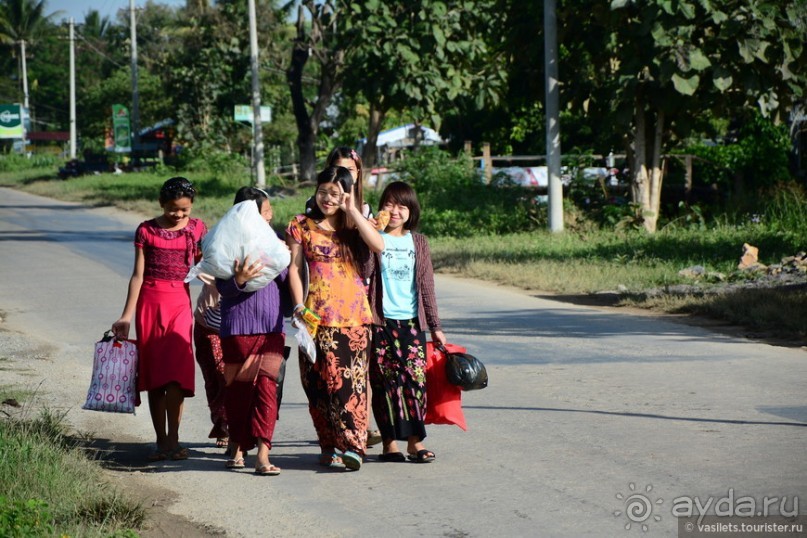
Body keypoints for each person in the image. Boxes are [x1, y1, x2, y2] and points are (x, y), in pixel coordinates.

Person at [286, 166, 385, 471]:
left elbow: (379, 245)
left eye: (335, 193)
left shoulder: (354, 225)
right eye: (323, 191)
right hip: (316, 315)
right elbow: (293, 268)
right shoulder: (300, 225)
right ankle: (329, 444)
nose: (328, 198)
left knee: (351, 382)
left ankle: (353, 446)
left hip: (354, 316)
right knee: (317, 383)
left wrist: (352, 210)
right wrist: (298, 307)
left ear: (346, 194)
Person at [112, 177, 206, 461]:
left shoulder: (198, 228)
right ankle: (161, 441)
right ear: (161, 204)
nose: (178, 215)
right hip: (150, 305)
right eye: (172, 209)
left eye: (184, 210)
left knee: (177, 375)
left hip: (180, 303)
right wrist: (126, 317)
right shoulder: (146, 230)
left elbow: (208, 265)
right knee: (155, 377)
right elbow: (137, 276)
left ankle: (175, 439)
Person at [368, 181, 446, 463]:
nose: (395, 210)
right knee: (384, 385)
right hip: (380, 322)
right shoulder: (374, 238)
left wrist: (435, 326)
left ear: (411, 210)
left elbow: (426, 286)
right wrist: (373, 232)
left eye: (402, 205)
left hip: (412, 323)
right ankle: (389, 445)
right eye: (389, 204)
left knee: (415, 382)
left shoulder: (419, 242)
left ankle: (415, 442)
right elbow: (364, 270)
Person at [217, 187, 290, 475]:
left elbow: (291, 281)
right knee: (238, 393)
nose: (271, 213)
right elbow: (221, 288)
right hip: (236, 330)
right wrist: (239, 280)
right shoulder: (226, 245)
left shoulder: (276, 243)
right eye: (266, 209)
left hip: (271, 329)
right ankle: (236, 444)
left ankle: (263, 453)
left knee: (266, 391)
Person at [193, 278, 228, 449]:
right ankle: (221, 424)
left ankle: (228, 426)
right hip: (206, 322)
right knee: (212, 378)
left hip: (237, 323)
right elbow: (199, 267)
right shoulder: (210, 252)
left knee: (226, 374)